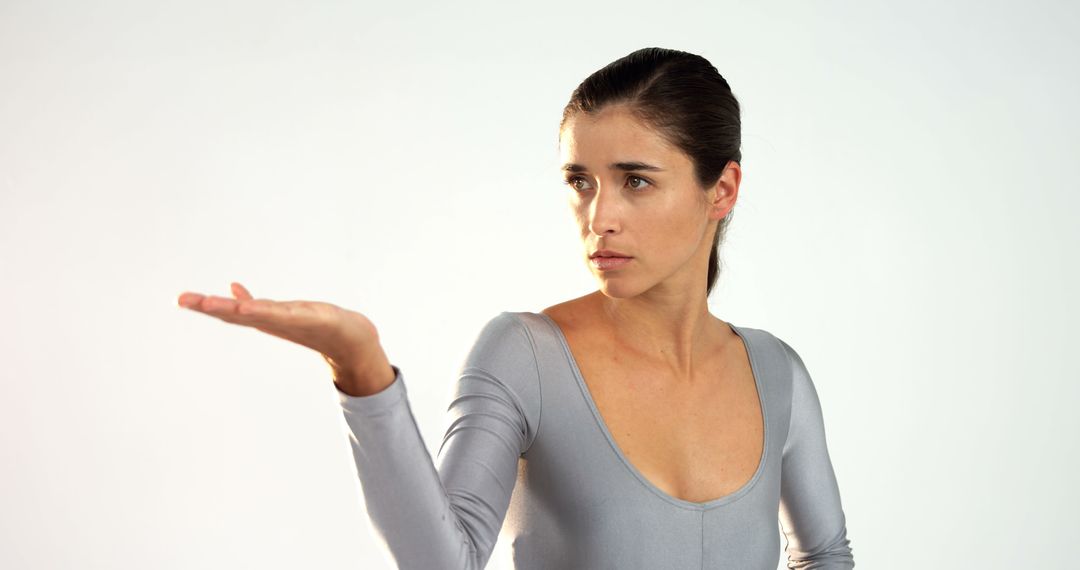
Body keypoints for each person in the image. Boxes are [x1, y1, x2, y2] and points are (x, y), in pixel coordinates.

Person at [177, 46, 854, 569]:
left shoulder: (777, 373)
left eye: (636, 182)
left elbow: (825, 557)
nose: (600, 217)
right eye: (580, 182)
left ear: (722, 189)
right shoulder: (527, 356)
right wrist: (359, 368)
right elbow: (446, 561)